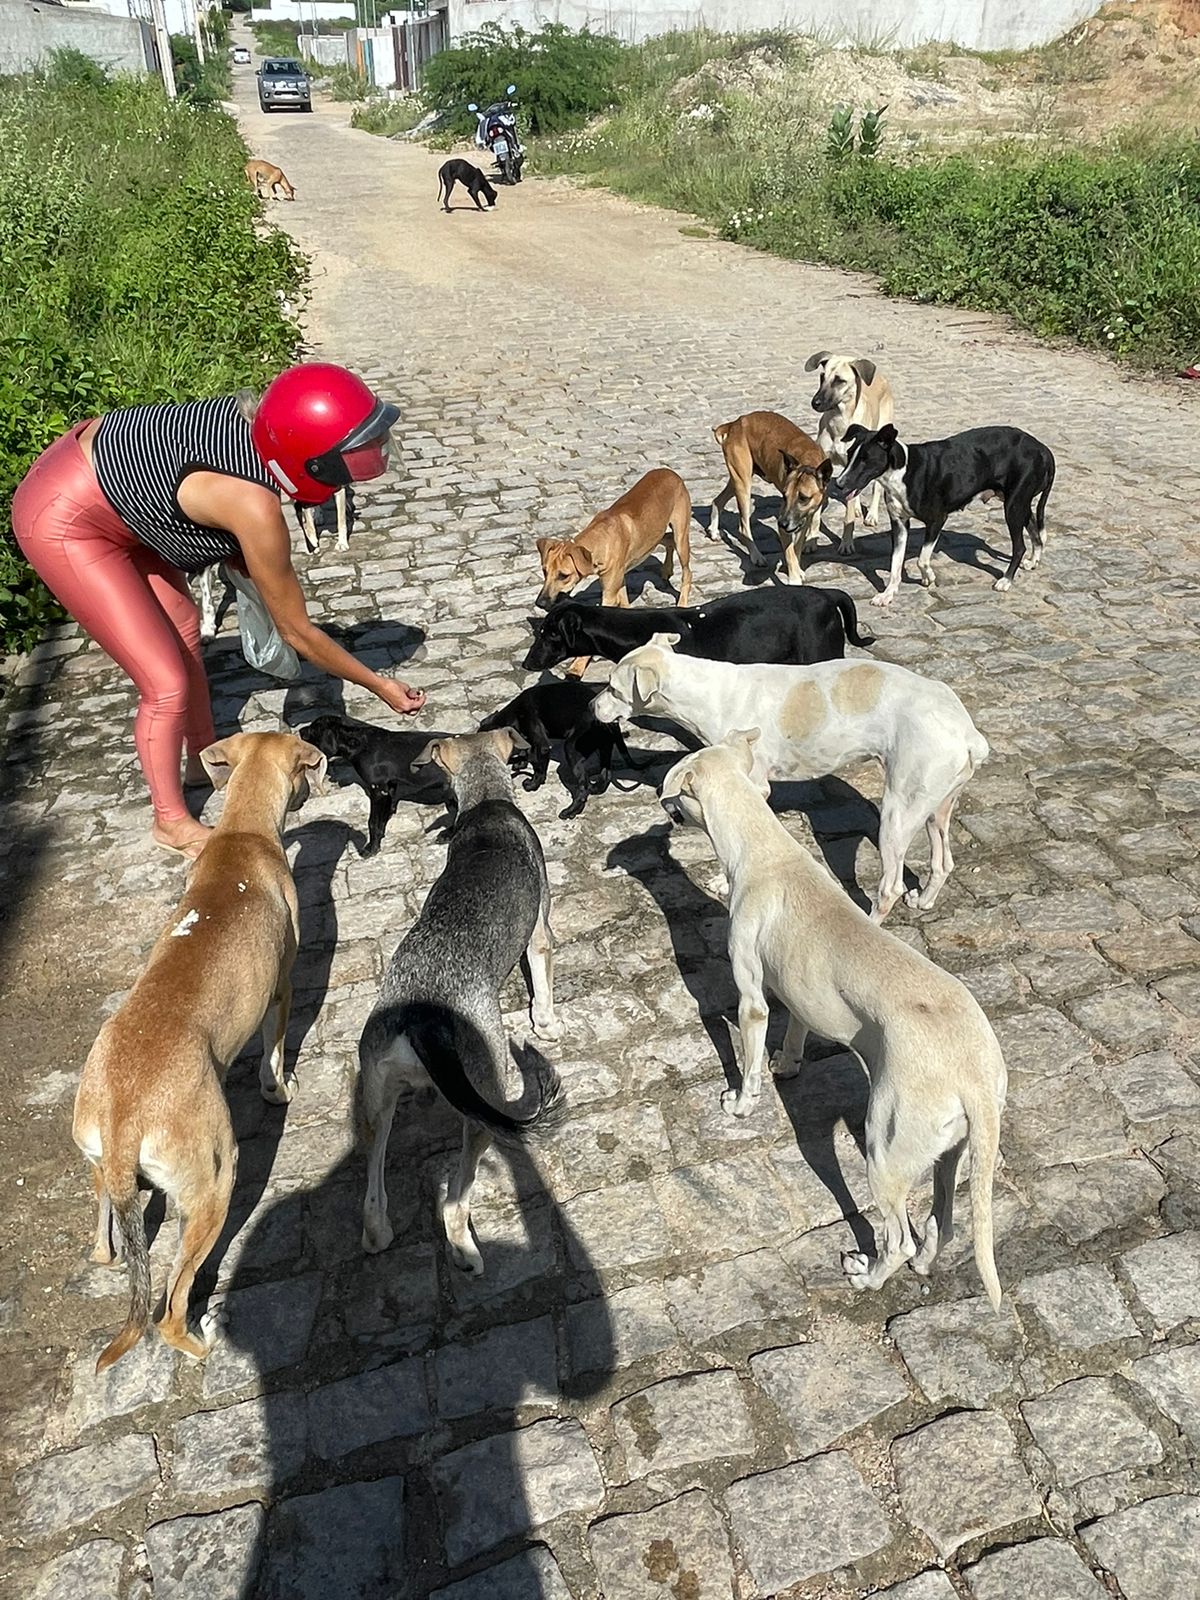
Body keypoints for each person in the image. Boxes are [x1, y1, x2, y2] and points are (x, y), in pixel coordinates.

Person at [11, 363, 425, 859]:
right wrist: (379, 686)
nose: (357, 467)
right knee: (164, 682)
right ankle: (171, 822)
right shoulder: (251, 503)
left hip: (116, 493)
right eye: (348, 458)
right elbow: (296, 631)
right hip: (64, 514)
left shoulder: (264, 431)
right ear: (309, 460)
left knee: (185, 626)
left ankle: (201, 760)